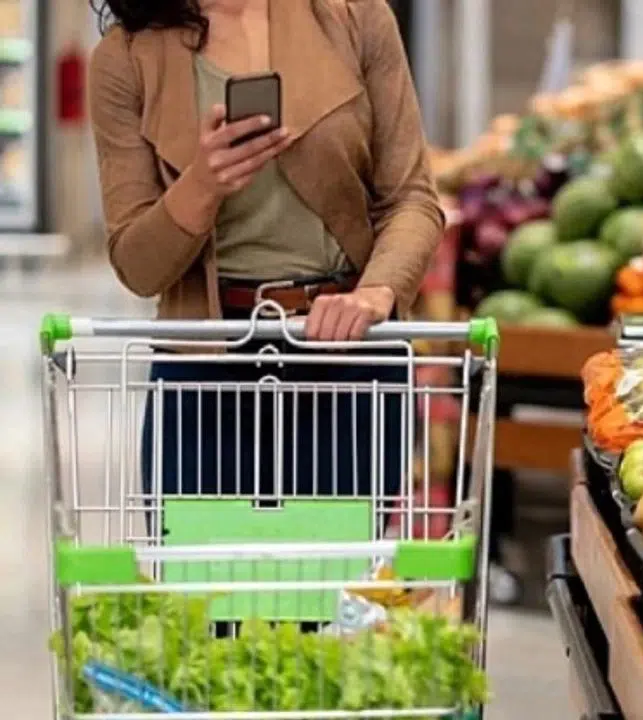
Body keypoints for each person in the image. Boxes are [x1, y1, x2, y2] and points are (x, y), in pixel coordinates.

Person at [88, 0, 442, 536]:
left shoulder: (354, 18)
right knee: (207, 602)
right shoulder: (126, 58)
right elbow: (137, 267)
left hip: (346, 354)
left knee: (330, 597)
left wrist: (375, 292)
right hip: (203, 367)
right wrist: (202, 185)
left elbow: (412, 198)